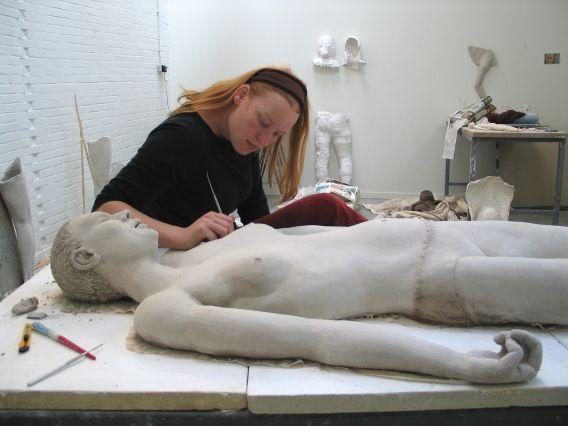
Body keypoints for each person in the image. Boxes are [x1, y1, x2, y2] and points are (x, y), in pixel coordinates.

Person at [51, 211, 568, 384]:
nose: (122, 214)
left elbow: (312, 240)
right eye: (102, 222)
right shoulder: (166, 309)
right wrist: (458, 365)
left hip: (431, 233)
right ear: (86, 258)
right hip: (433, 278)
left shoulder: (194, 253)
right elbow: (319, 340)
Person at [93, 66, 366, 250]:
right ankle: (388, 243)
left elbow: (256, 216)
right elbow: (104, 208)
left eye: (276, 134)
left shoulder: (244, 140)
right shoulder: (182, 137)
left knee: (325, 210)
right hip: (175, 254)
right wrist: (182, 235)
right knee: (325, 206)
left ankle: (385, 239)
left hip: (218, 244)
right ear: (241, 95)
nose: (264, 140)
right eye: (263, 123)